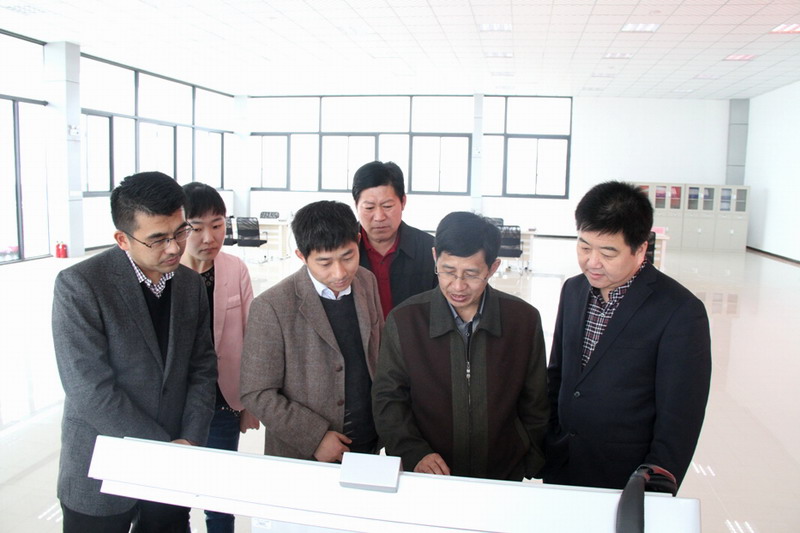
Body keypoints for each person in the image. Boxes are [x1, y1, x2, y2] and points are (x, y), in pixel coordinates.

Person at [52, 171, 217, 532]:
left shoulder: (190, 284)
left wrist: (190, 439)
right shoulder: (80, 286)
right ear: (122, 239)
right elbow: (88, 389)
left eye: (180, 232)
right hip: (101, 464)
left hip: (175, 462)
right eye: (157, 239)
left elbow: (203, 367)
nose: (174, 248)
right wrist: (164, 450)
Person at [543, 180, 712, 491]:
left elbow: (680, 418)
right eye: (584, 247)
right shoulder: (573, 290)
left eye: (608, 252)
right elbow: (558, 374)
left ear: (641, 248)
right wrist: (549, 441)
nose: (592, 262)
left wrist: (654, 486)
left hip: (626, 476)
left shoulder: (680, 311)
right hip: (563, 464)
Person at [372, 211, 549, 480]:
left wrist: (529, 457)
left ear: (493, 268)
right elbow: (388, 399)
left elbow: (536, 400)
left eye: (471, 274)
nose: (457, 286)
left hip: (502, 472)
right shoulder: (405, 320)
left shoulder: (523, 320)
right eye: (448, 271)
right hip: (430, 474)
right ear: (435, 257)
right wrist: (414, 452)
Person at [240, 200, 383, 462]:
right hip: (304, 454)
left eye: (348, 257)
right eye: (325, 263)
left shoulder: (366, 281)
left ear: (358, 240)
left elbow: (377, 355)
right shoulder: (272, 306)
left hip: (368, 439)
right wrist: (315, 437)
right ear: (301, 256)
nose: (340, 273)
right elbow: (256, 392)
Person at [180, 182, 260, 533]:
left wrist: (250, 403)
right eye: (197, 228)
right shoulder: (168, 272)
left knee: (221, 494)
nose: (209, 237)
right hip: (179, 403)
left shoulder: (234, 269)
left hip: (224, 400)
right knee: (176, 495)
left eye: (217, 225)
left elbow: (252, 336)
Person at [352, 160, 437, 318]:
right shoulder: (342, 250)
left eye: (387, 206)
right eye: (369, 207)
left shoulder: (430, 250)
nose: (379, 217)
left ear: (403, 202)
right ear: (356, 205)